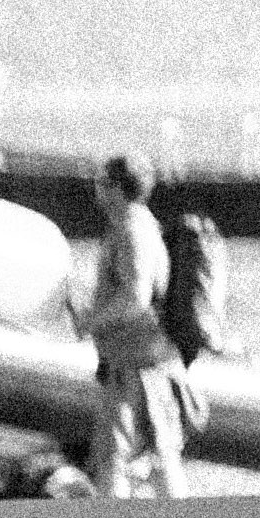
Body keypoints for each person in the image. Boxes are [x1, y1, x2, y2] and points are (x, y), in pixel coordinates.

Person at [72, 155, 184, 499]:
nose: (96, 189)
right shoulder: (140, 225)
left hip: (135, 363)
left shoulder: (130, 229)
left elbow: (136, 297)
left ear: (118, 189)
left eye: (101, 182)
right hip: (147, 359)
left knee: (113, 456)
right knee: (159, 455)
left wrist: (90, 321)